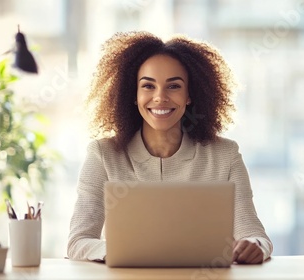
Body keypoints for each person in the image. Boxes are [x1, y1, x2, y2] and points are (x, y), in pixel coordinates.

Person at [67, 31, 273, 264]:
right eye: (148, 86)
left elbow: (256, 235)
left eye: (173, 86)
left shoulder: (225, 156)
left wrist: (255, 246)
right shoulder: (103, 155)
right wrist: (123, 251)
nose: (160, 97)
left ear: (189, 95)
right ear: (133, 95)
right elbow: (78, 242)